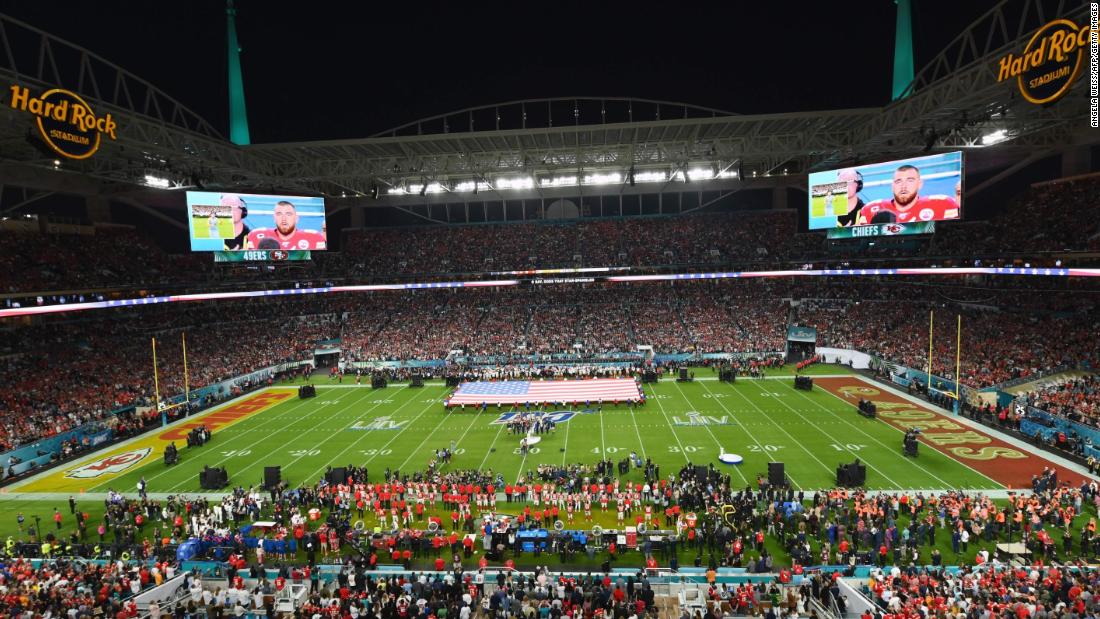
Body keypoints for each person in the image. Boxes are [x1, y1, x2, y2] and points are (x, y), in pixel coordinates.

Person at [857, 164, 959, 225]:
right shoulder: (871, 209)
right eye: (898, 181)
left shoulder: (943, 204)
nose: (903, 186)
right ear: (892, 186)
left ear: (920, 184)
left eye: (910, 180)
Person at [246, 200, 326, 250]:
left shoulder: (314, 237)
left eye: (288, 214)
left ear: (297, 218)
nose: (284, 218)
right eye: (279, 214)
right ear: (274, 218)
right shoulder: (256, 235)